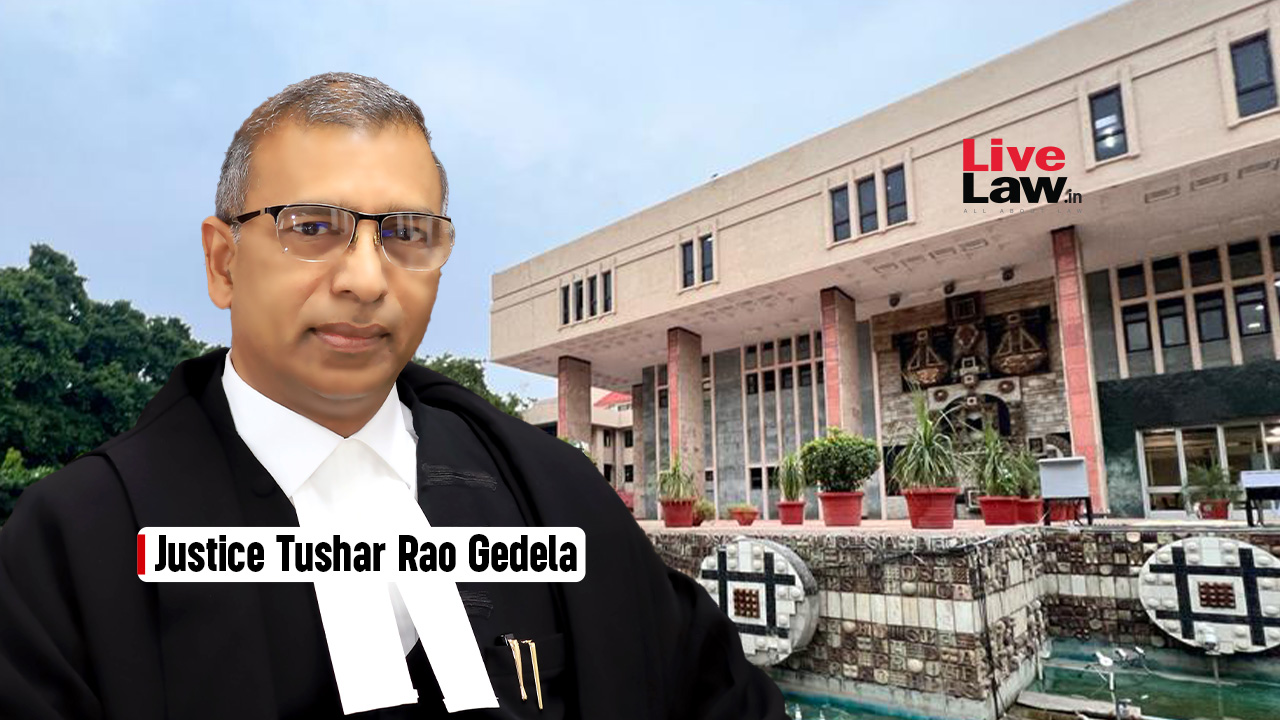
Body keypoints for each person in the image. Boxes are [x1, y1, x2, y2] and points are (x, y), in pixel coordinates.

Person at [0, 72, 787, 719]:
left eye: (406, 233)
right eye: (312, 227)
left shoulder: (556, 498)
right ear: (223, 262)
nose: (366, 278)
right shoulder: (71, 551)